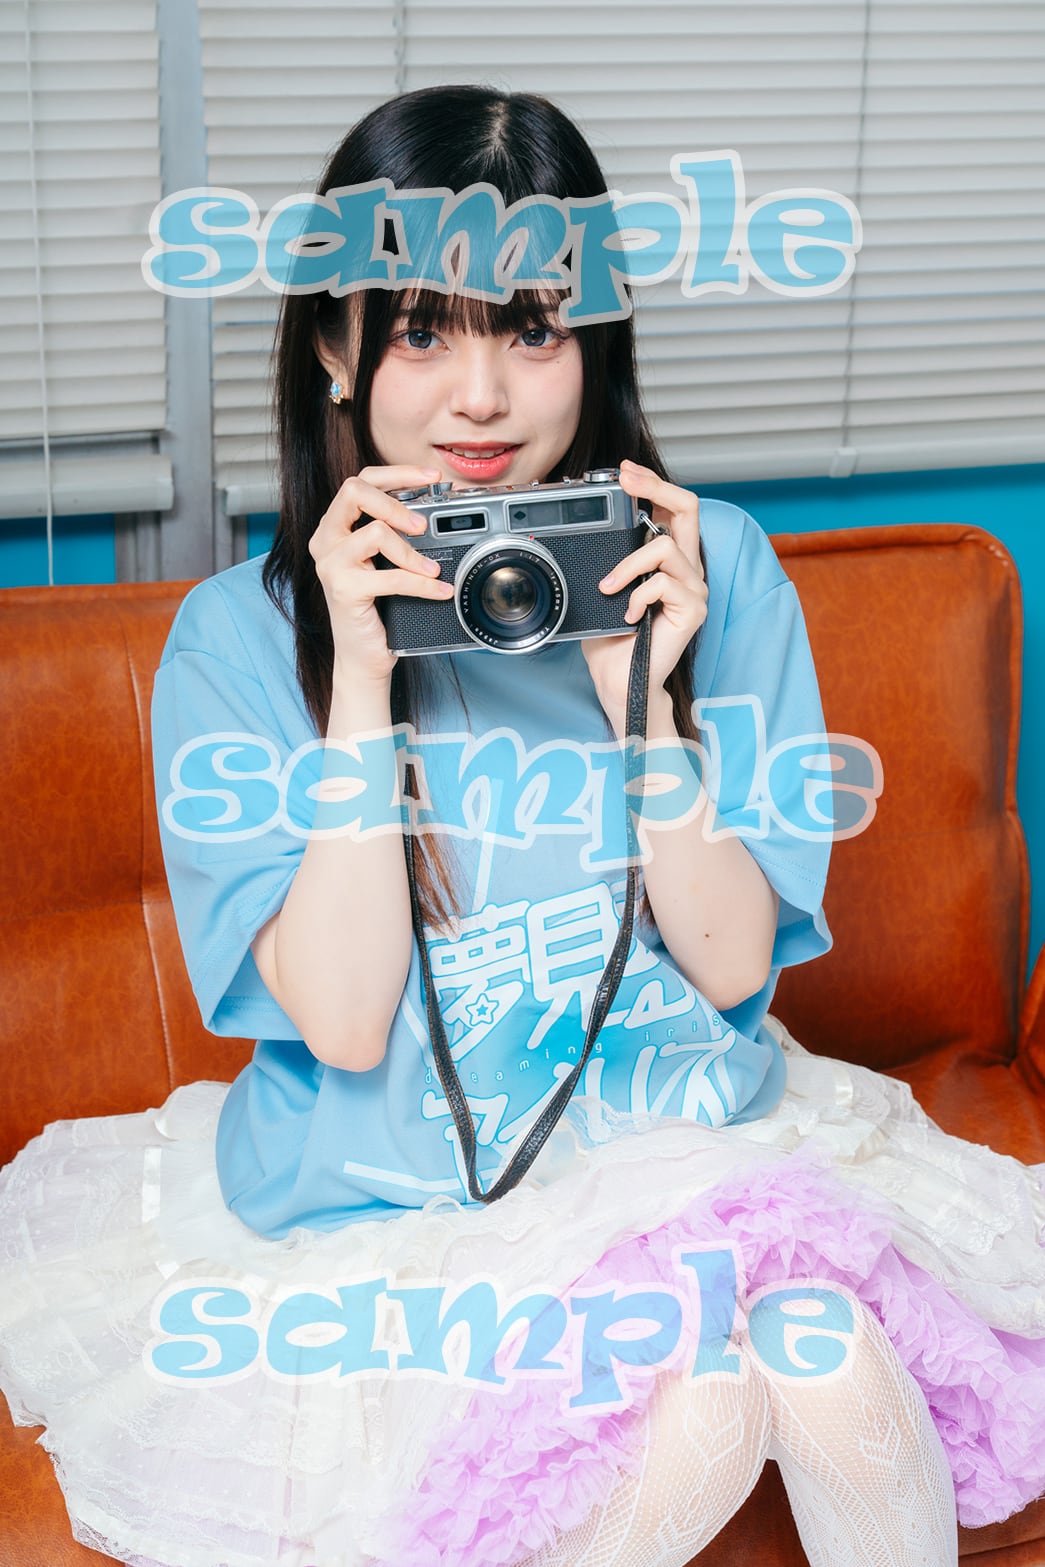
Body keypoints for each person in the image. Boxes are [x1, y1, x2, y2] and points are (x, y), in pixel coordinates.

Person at [1, 83, 1044, 1567]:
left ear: (595, 341)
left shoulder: (714, 570)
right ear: (333, 346)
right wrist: (363, 680)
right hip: (395, 1204)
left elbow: (732, 965)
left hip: (680, 1150)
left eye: (534, 331)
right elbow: (344, 1023)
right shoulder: (235, 641)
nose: (481, 399)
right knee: (707, 1400)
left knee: (826, 1363)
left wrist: (642, 699)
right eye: (424, 334)